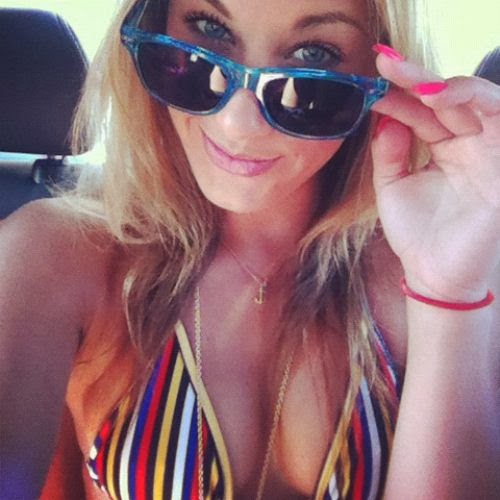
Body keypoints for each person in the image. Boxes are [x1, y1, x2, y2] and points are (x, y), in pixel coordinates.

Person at [1, 0, 499, 498]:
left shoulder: (437, 268)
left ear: (380, 77)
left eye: (313, 56)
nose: (238, 123)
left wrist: (445, 293)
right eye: (208, 28)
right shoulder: (55, 255)